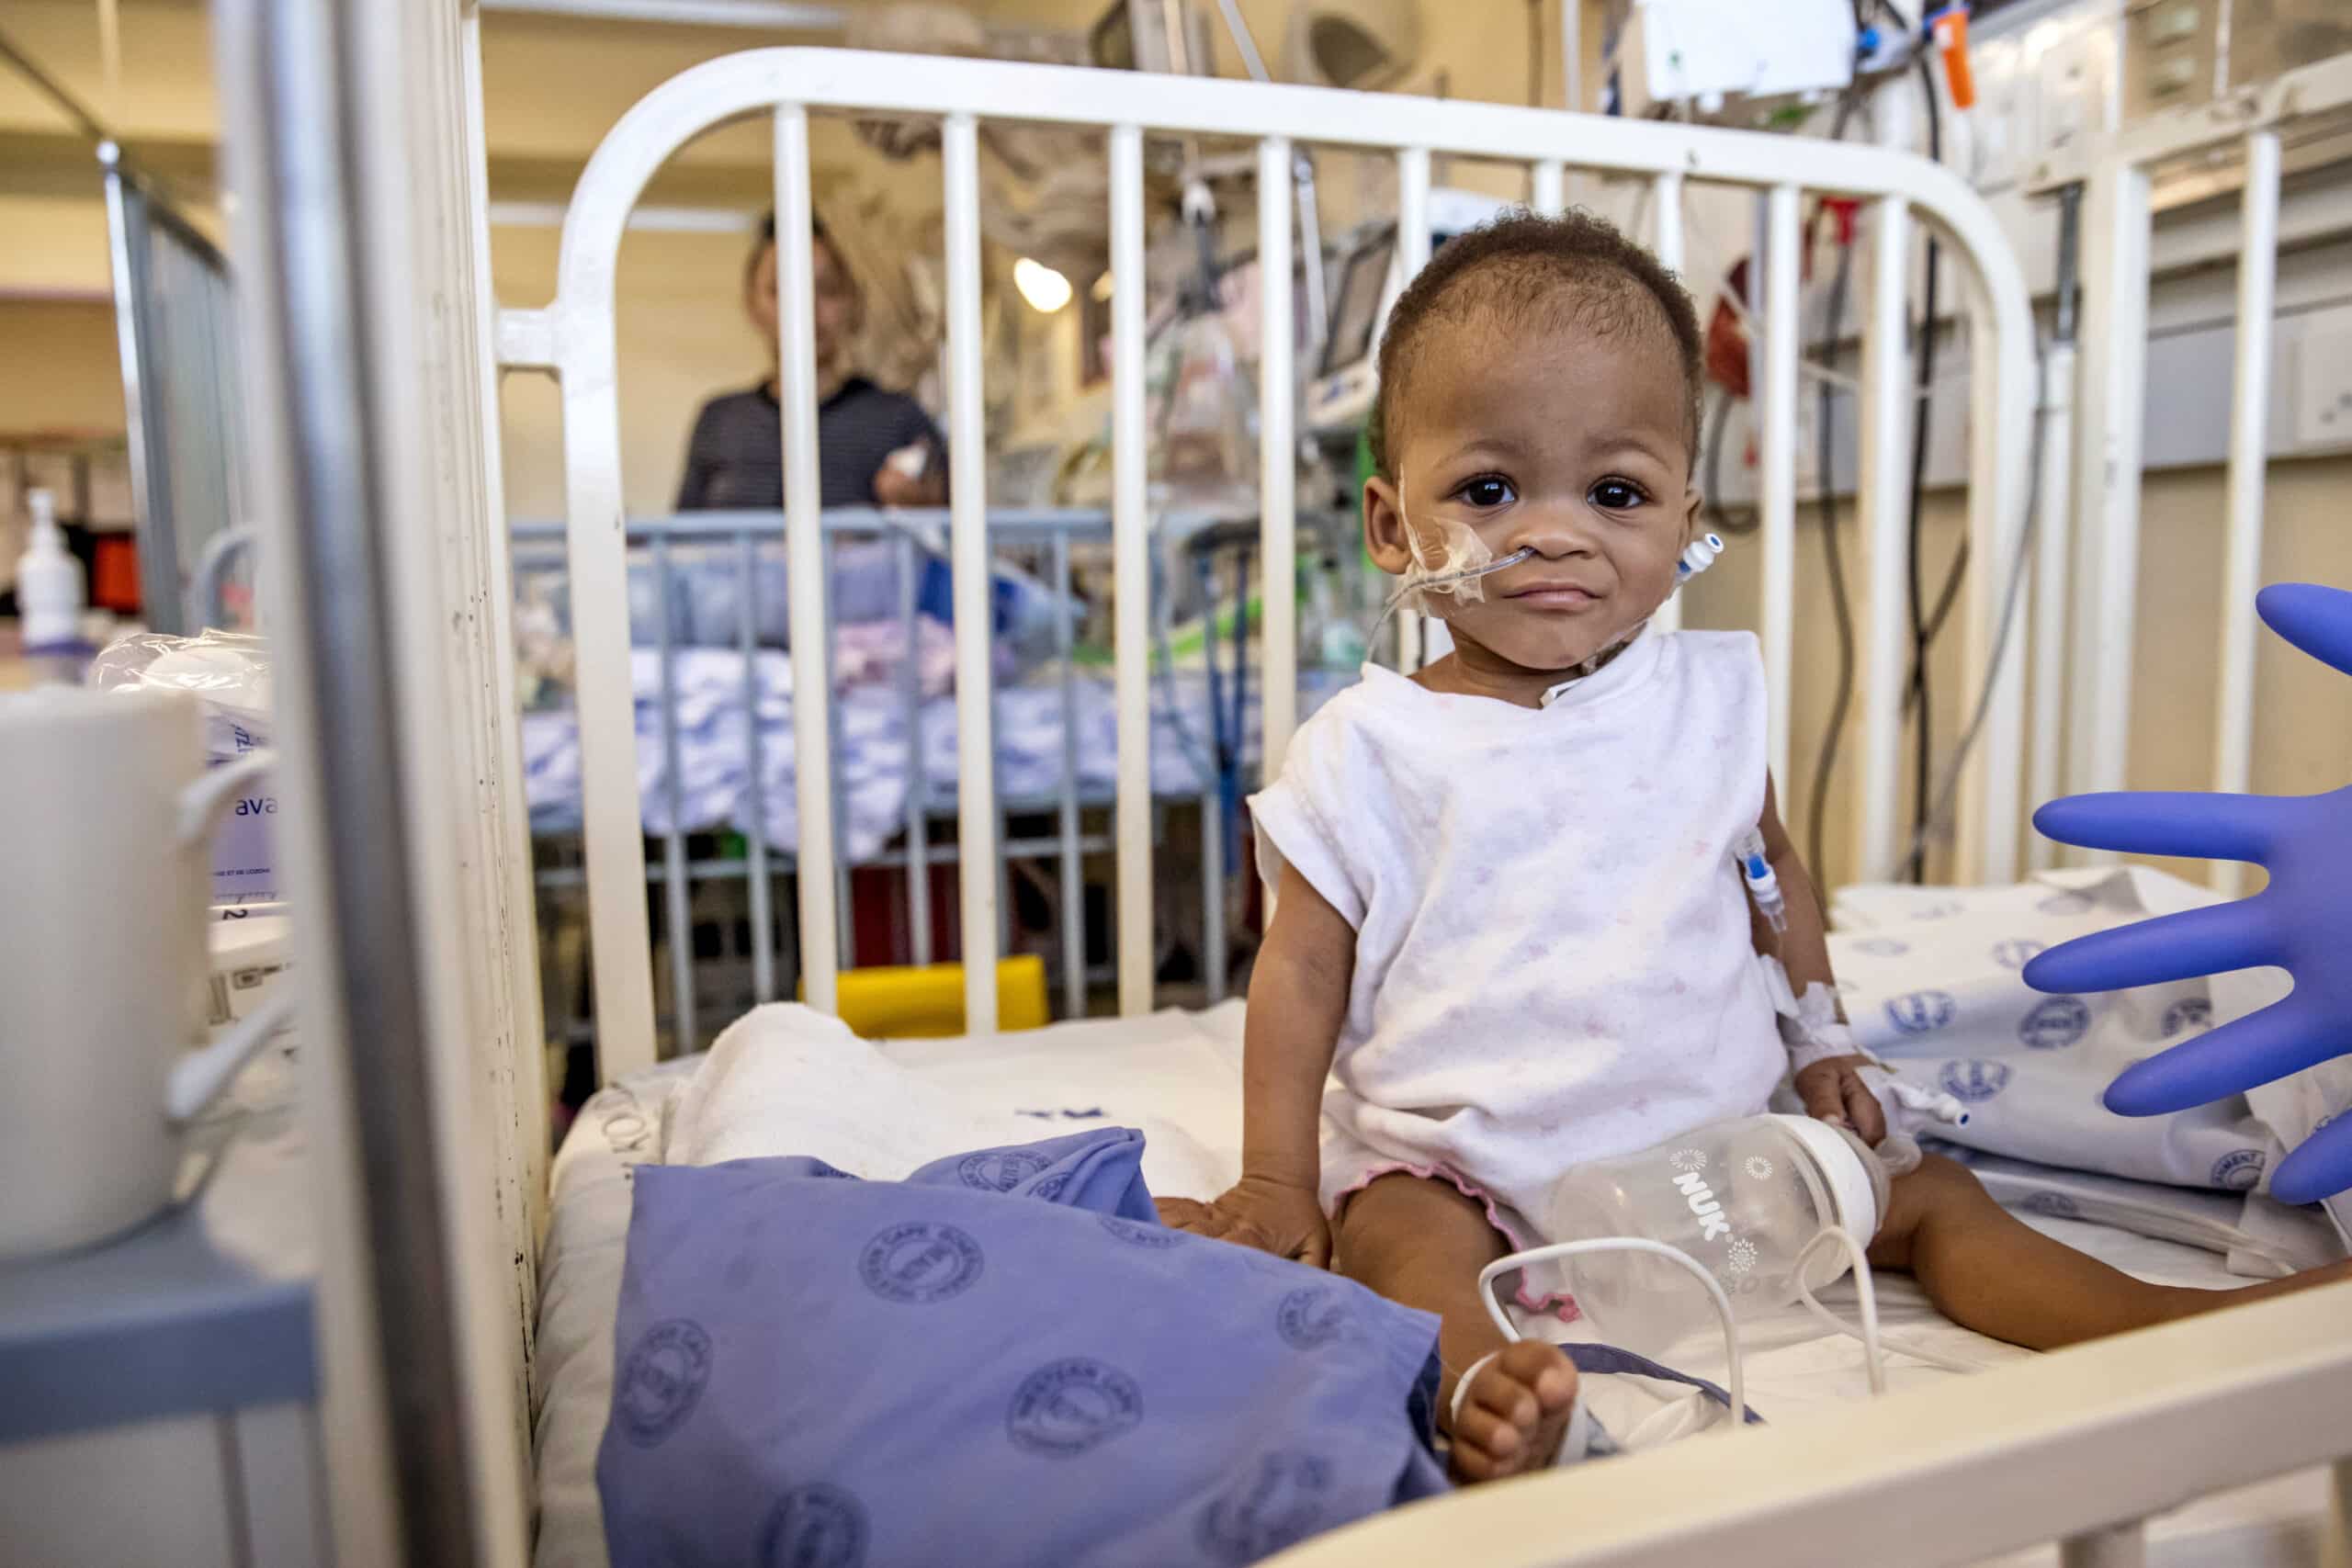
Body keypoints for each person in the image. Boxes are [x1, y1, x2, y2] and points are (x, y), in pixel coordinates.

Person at [1157, 211, 2352, 1483]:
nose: (1556, 531)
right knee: (1399, 1240)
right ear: (1395, 528)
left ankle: (2169, 1327)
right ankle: (1487, 1392)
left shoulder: (1713, 702)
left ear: (1685, 524)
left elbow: (1770, 871)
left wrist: (1826, 1037)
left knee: (1933, 1197)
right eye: (1492, 489)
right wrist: (1280, 1174)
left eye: (1615, 493)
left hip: (1721, 1141)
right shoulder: (1365, 749)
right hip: (1471, 1164)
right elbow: (1295, 974)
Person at [676, 214, 946, 512]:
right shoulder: (720, 421)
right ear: (752, 304)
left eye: (827, 289)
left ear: (854, 301)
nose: (805, 307)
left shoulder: (899, 420)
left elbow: (955, 537)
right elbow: (684, 544)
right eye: (781, 290)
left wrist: (925, 509)